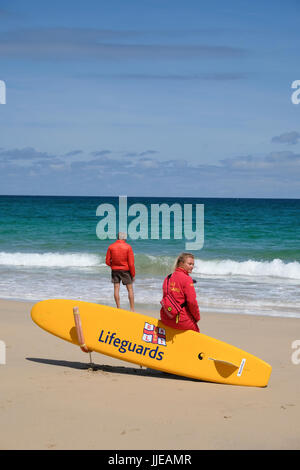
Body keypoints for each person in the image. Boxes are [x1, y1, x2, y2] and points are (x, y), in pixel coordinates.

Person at [160, 252, 200, 332]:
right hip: (180, 320)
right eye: (189, 264)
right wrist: (197, 317)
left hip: (165, 316)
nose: (192, 266)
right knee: (196, 331)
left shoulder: (168, 277)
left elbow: (165, 297)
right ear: (181, 263)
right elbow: (192, 302)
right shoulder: (187, 279)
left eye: (193, 264)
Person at [105, 232, 135, 311]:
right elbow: (131, 264)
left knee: (116, 288)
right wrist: (133, 274)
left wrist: (113, 266)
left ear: (117, 237)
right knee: (130, 289)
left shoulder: (111, 247)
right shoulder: (128, 247)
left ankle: (118, 308)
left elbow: (107, 261)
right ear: (125, 238)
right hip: (125, 270)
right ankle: (132, 309)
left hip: (115, 270)